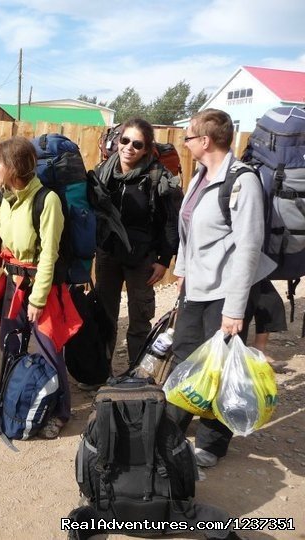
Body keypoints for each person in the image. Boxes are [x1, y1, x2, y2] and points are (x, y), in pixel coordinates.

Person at [168, 108, 277, 468]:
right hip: (195, 289)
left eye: (188, 136)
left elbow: (249, 245)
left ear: (206, 140)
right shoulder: (200, 177)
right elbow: (188, 230)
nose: (184, 142)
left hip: (225, 294)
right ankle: (174, 428)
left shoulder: (241, 181)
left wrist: (235, 308)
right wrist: (182, 271)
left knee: (222, 367)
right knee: (186, 358)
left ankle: (212, 445)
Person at [0, 136, 82, 438]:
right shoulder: (4, 195)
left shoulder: (47, 200)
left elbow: (49, 255)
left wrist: (38, 299)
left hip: (41, 288)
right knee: (11, 346)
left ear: (13, 167)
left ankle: (60, 412)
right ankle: (9, 400)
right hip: (13, 284)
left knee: (48, 350)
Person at [92, 118, 180, 383]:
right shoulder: (103, 173)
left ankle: (136, 375)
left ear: (146, 149)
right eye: (125, 140)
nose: (129, 147)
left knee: (139, 318)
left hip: (142, 258)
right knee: (105, 315)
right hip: (107, 253)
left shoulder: (157, 178)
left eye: (137, 144)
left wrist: (164, 260)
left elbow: (170, 223)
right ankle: (100, 371)